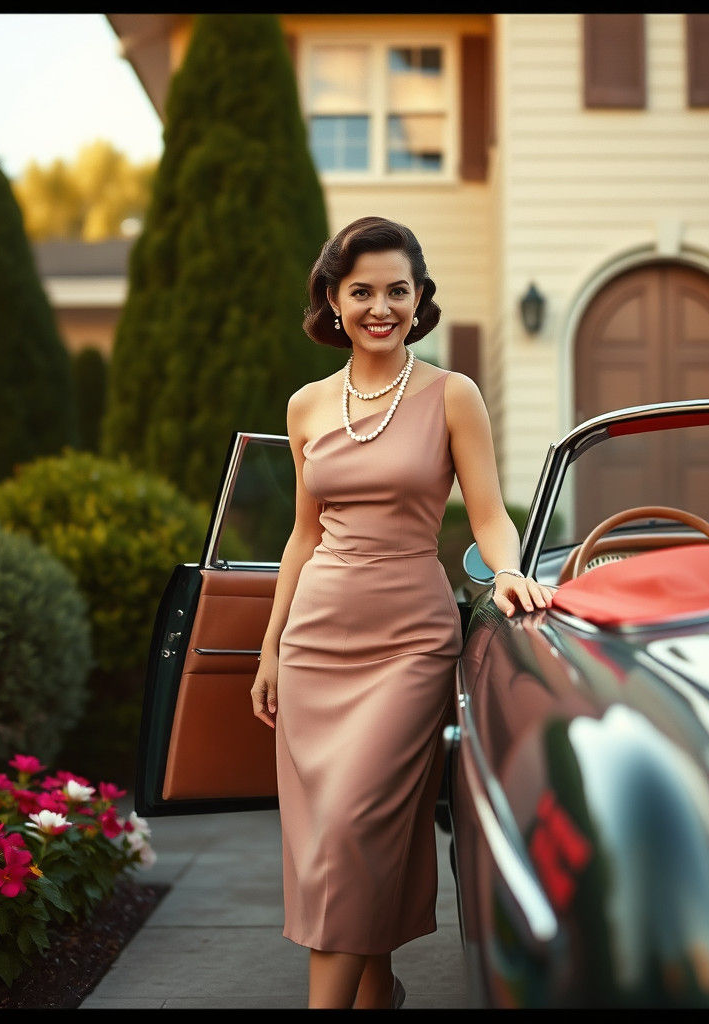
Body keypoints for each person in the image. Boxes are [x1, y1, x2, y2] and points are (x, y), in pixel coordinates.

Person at [250, 216, 555, 1009]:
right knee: (336, 845)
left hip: (409, 645)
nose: (380, 307)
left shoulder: (454, 395)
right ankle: (376, 994)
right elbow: (301, 536)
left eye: (397, 290)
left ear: (420, 298)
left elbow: (487, 513)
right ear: (333, 299)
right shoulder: (307, 406)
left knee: (353, 829)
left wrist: (510, 571)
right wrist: (270, 647)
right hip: (316, 641)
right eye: (362, 292)